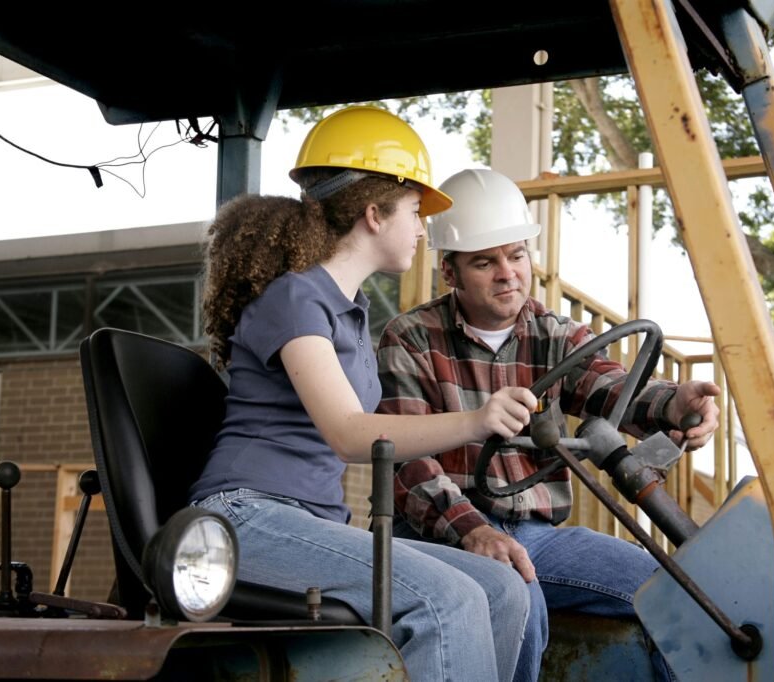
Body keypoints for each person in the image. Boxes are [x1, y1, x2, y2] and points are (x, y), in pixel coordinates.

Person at [188, 109, 539, 682]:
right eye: (415, 213)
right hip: (241, 521)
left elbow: (383, 430)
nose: (423, 230)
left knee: (499, 587)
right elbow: (352, 433)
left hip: (308, 519)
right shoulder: (295, 300)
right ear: (374, 215)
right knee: (447, 600)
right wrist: (476, 420)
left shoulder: (350, 315)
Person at [377, 167, 721, 681]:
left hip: (539, 534)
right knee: (516, 600)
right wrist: (473, 532)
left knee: (676, 590)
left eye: (516, 255)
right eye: (484, 262)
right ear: (449, 272)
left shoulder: (555, 333)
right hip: (441, 532)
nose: (507, 273)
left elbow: (612, 390)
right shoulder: (410, 339)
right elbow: (409, 462)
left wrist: (675, 403)